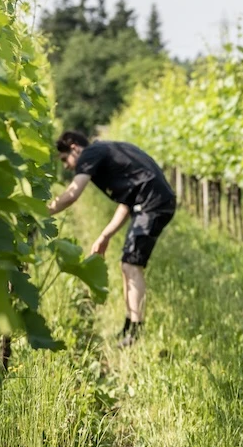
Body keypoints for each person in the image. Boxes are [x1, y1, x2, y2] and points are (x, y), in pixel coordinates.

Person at [47, 130, 177, 346]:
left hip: (153, 203)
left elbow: (72, 195)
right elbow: (128, 201)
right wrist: (105, 235)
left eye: (65, 159)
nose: (67, 166)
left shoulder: (89, 154)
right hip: (150, 202)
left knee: (131, 265)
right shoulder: (103, 152)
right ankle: (130, 327)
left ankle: (135, 334)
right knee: (127, 265)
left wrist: (40, 211)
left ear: (74, 148)